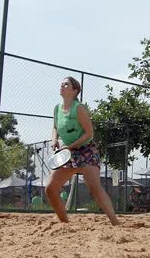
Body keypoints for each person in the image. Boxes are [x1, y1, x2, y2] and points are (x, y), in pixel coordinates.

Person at [46, 76, 119, 225]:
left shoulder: (78, 108)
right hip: (68, 153)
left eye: (66, 84)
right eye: (62, 83)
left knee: (95, 189)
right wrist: (54, 140)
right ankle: (64, 224)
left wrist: (71, 146)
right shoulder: (57, 108)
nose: (62, 85)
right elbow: (55, 127)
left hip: (86, 151)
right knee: (50, 189)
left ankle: (115, 222)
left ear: (75, 90)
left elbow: (89, 133)